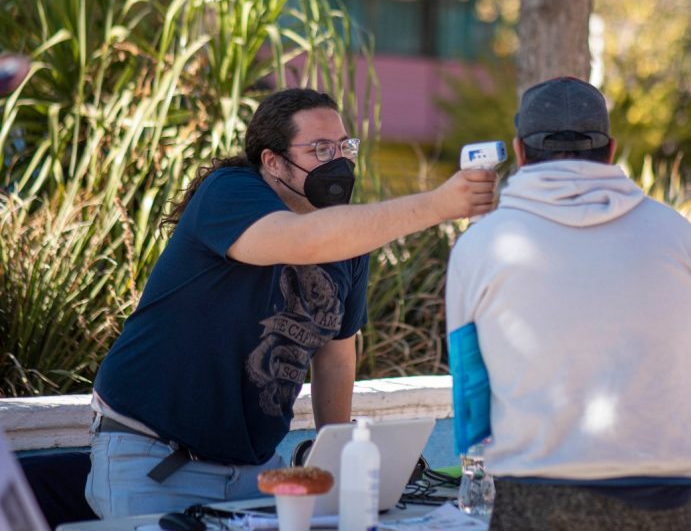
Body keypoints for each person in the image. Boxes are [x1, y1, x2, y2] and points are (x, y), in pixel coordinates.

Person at [85, 87, 496, 518]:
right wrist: (439, 204)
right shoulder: (228, 193)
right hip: (156, 463)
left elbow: (336, 356)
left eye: (344, 146)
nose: (338, 160)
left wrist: (337, 458)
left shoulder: (347, 241)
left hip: (256, 471)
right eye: (320, 149)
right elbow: (301, 240)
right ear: (273, 162)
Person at [445, 77, 691, 530]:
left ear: (520, 152)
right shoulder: (678, 235)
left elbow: (470, 392)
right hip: (665, 498)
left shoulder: (481, 245)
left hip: (535, 499)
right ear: (611, 150)